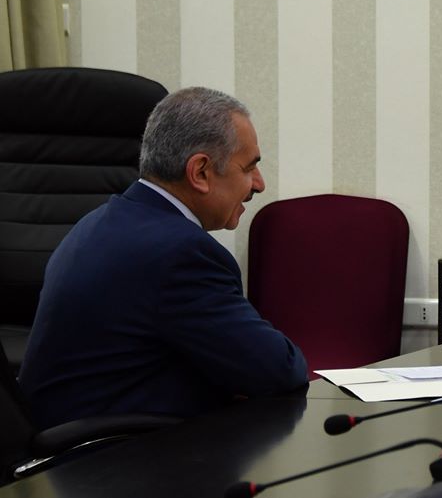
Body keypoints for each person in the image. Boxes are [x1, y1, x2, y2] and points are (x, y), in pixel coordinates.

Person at [18, 87, 308, 429]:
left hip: (63, 450)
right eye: (248, 168)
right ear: (200, 172)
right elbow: (278, 371)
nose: (258, 185)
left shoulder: (98, 222)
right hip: (112, 461)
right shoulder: (183, 253)